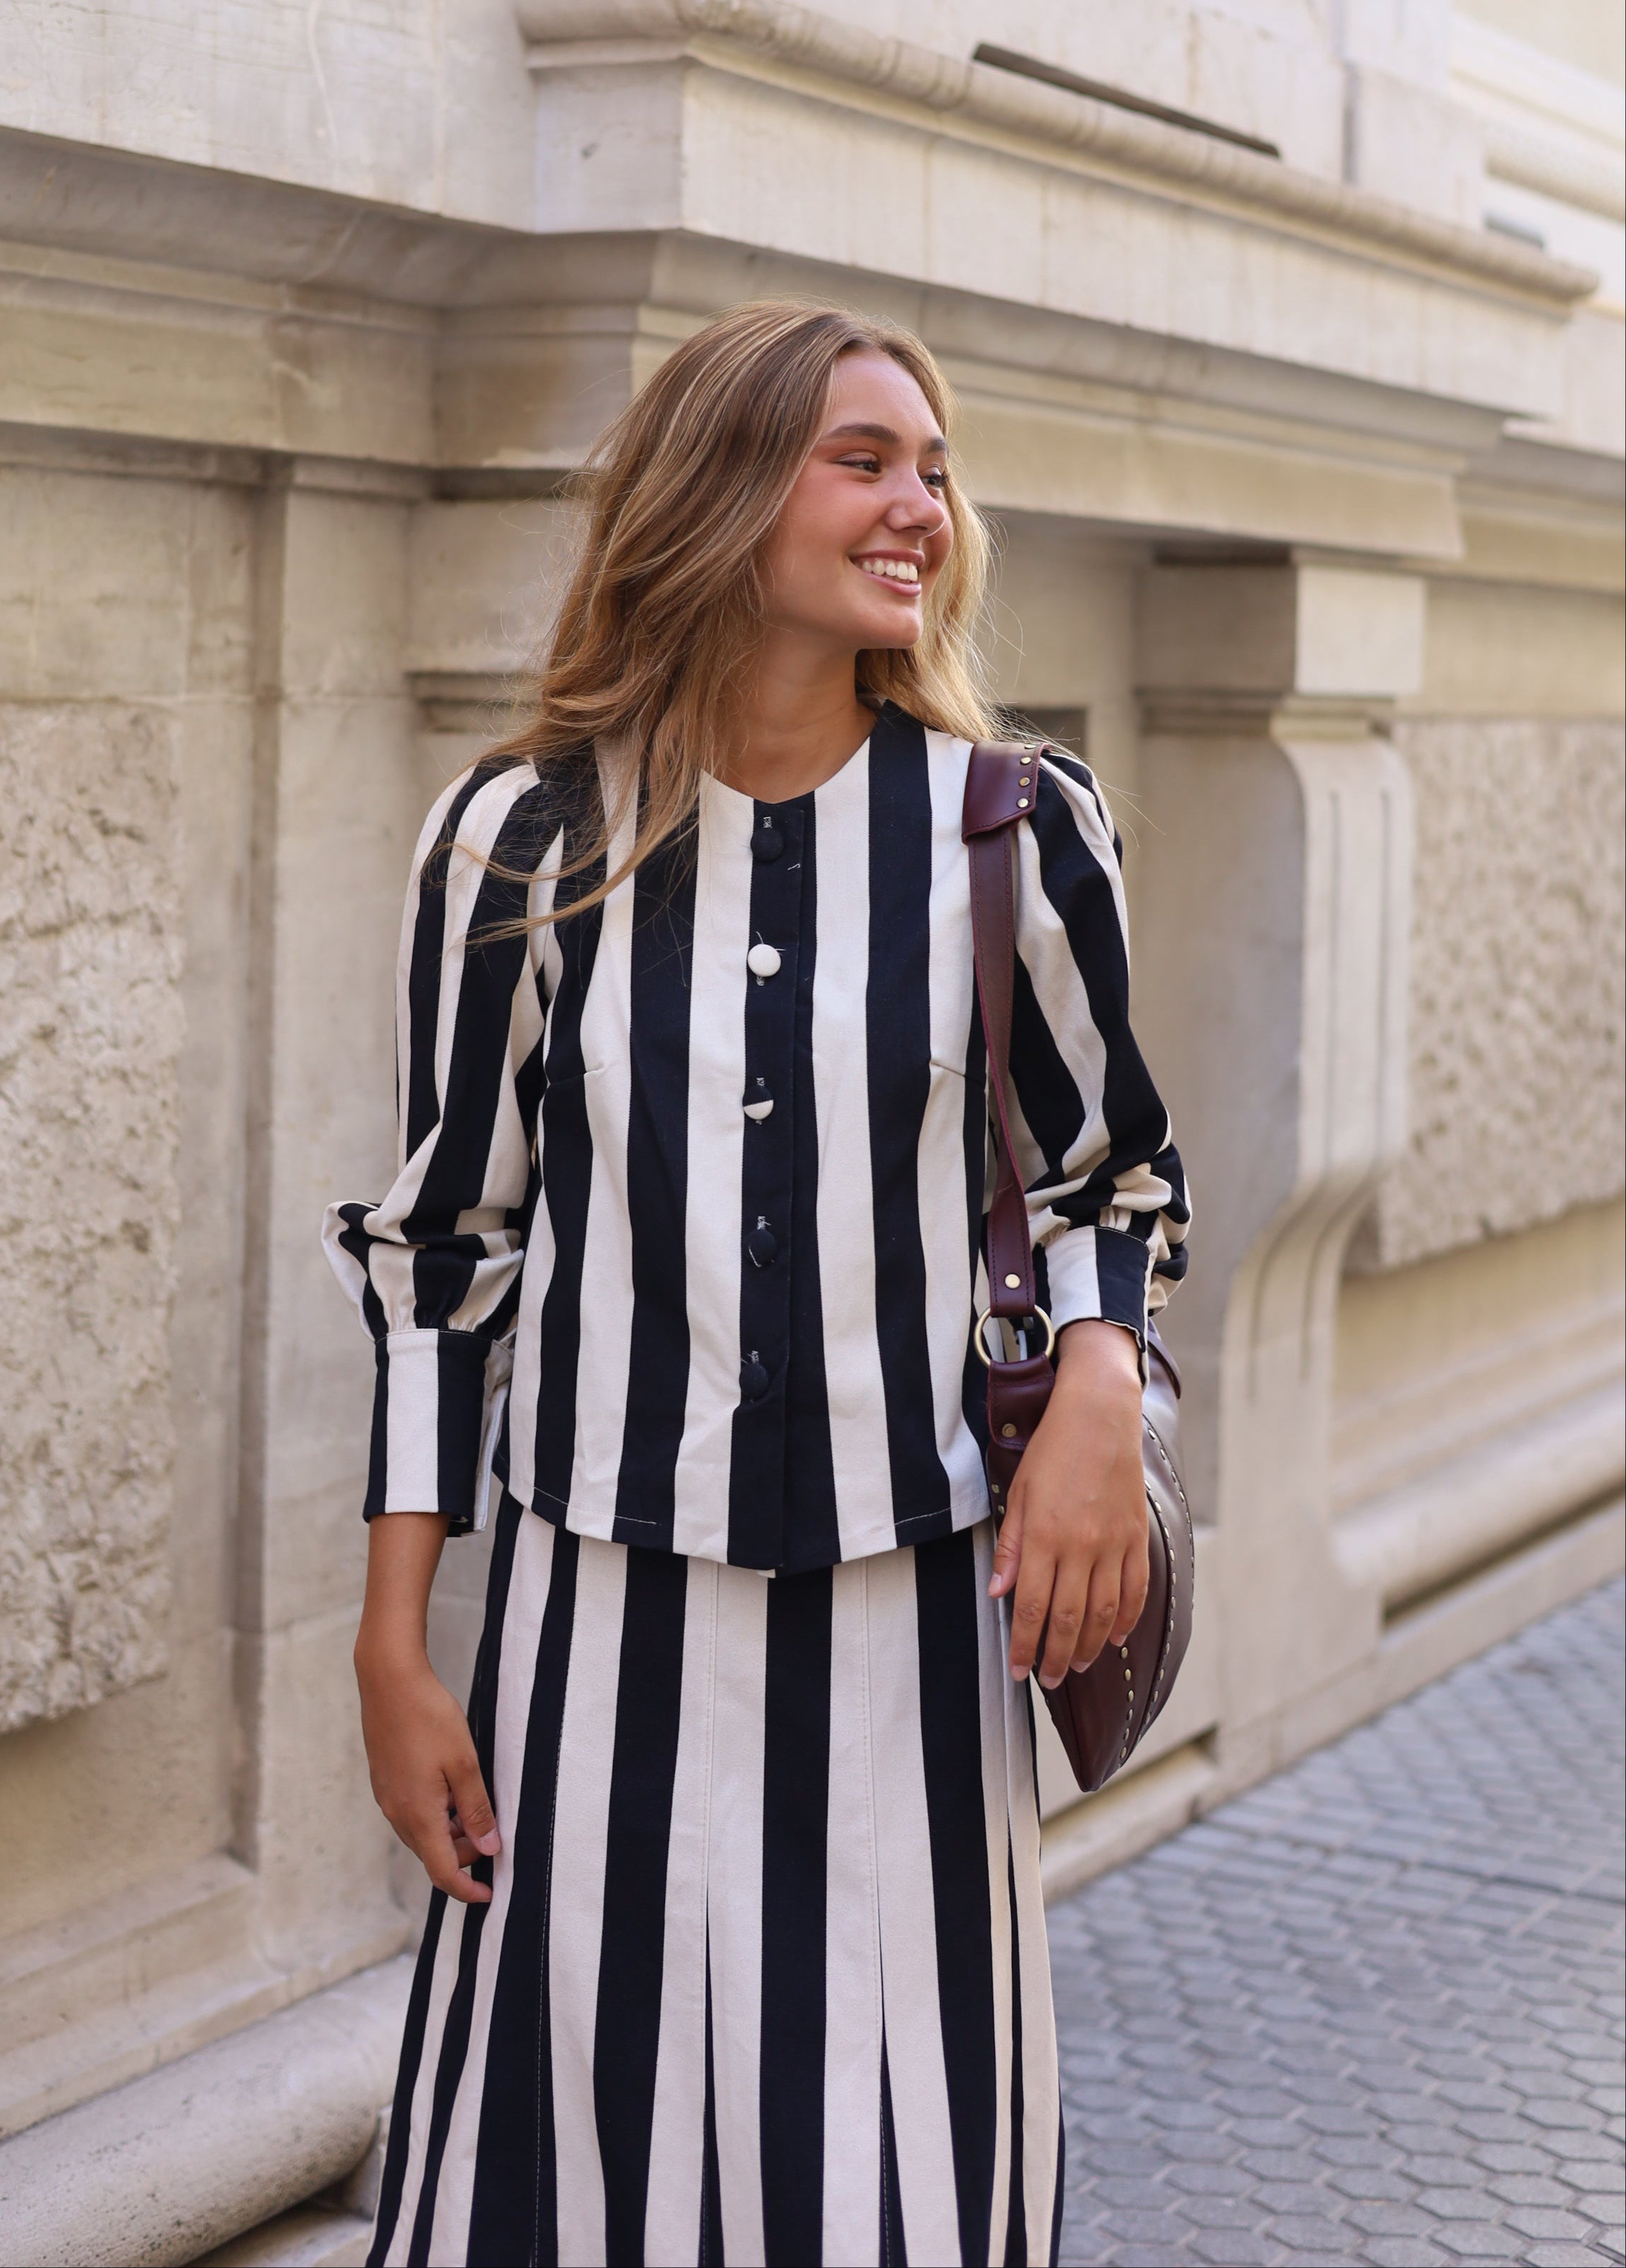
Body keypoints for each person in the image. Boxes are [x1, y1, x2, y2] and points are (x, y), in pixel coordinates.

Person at [324, 299, 1189, 2268]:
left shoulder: (1013, 830)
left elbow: (1113, 1179)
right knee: (570, 2177)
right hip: (591, 1632)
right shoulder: (519, 840)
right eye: (860, 459)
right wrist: (393, 1646)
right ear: (716, 491)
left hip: (917, 1626)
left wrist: (1092, 1385)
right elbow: (443, 1253)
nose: (919, 509)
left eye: (935, 471)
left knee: (896, 2176)